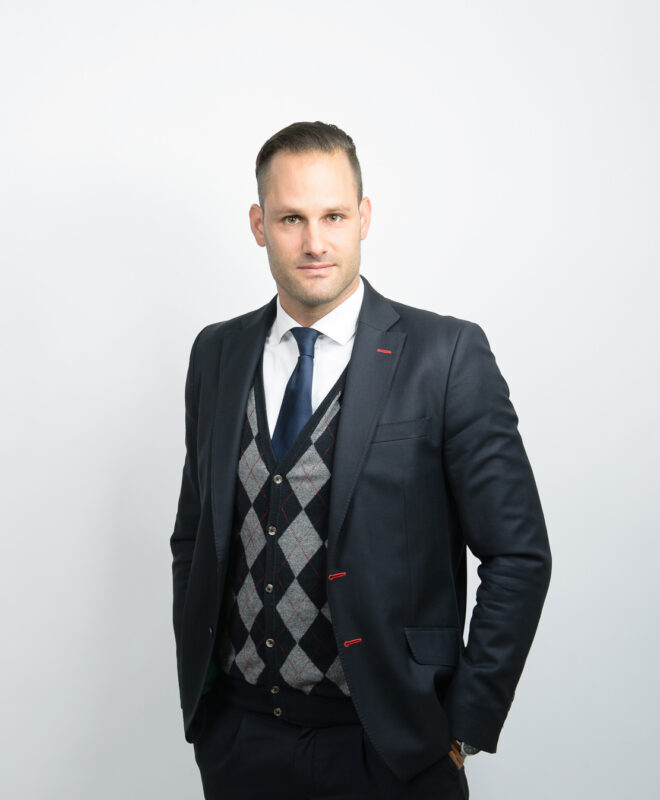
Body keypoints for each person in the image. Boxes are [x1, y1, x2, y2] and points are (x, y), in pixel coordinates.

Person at [170, 121, 551, 799]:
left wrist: (464, 730)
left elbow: (518, 555)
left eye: (334, 216)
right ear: (259, 225)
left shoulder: (445, 355)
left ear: (364, 218)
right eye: (291, 218)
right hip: (242, 742)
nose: (314, 243)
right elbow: (194, 536)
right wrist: (208, 714)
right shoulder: (217, 353)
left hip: (391, 749)